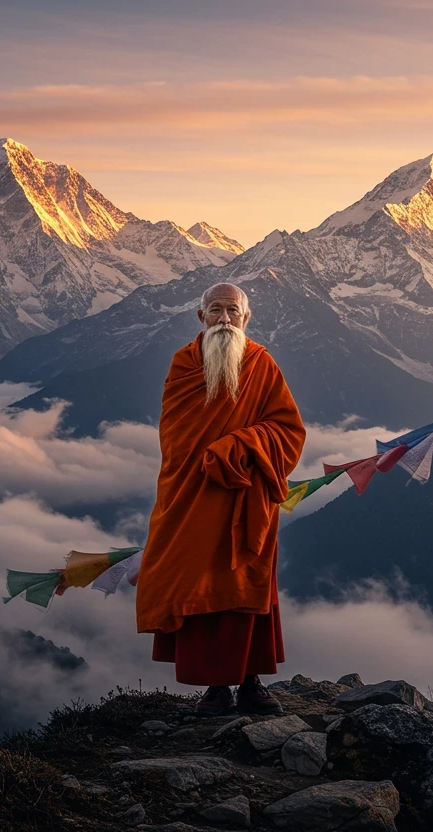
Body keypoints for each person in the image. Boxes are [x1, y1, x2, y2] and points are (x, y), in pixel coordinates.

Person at [135, 282, 306, 715]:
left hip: (246, 494)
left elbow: (288, 431)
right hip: (191, 494)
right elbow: (175, 439)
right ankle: (215, 687)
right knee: (197, 580)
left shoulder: (262, 365)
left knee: (244, 581)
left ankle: (251, 682)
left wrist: (240, 446)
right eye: (216, 311)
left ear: (246, 318)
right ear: (201, 316)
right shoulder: (183, 365)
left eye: (233, 311)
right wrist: (206, 459)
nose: (225, 319)